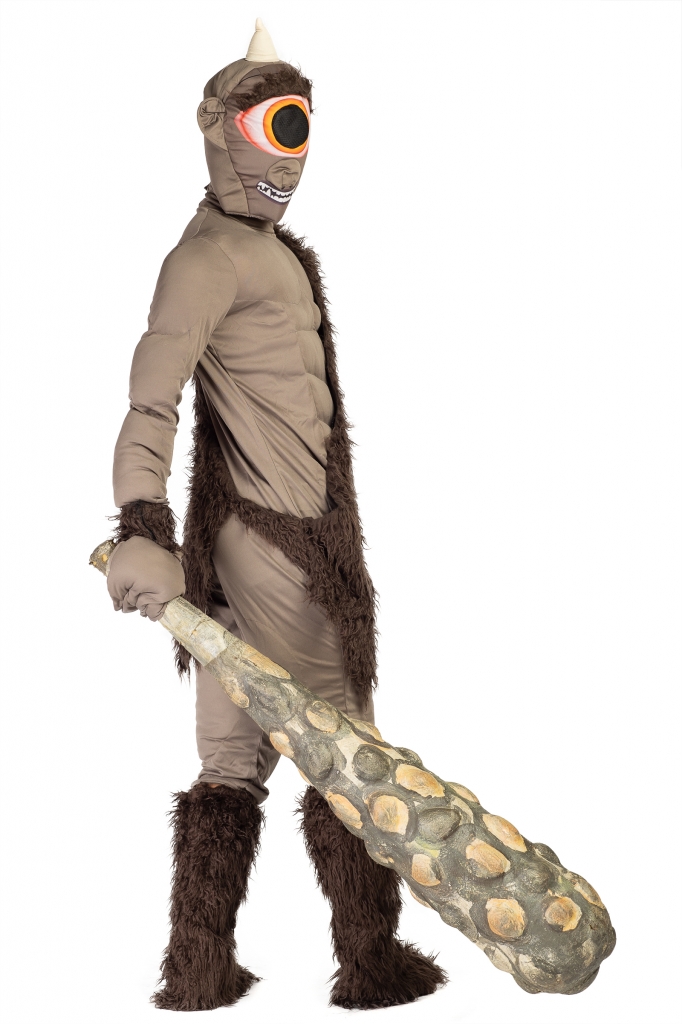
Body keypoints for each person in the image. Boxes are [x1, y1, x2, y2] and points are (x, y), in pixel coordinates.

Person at [106, 18, 447, 1012]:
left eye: (301, 127)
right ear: (221, 130)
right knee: (346, 749)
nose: (289, 156)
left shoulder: (266, 252)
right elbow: (152, 396)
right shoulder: (208, 258)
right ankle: (371, 962)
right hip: (279, 546)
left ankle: (199, 969)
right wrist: (140, 520)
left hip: (255, 540)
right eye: (274, 127)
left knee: (230, 757)